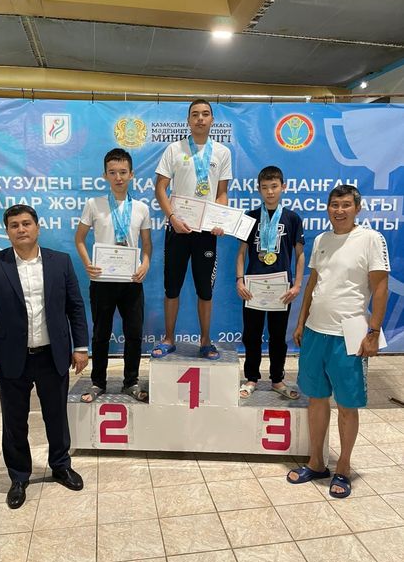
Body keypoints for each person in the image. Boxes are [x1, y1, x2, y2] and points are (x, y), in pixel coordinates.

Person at [0, 204, 89, 510]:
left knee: (56, 416)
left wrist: (80, 346)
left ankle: (61, 466)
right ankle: (19, 477)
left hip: (53, 355)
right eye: (14, 225)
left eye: (26, 223)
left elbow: (75, 306)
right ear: (7, 231)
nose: (21, 229)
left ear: (38, 227)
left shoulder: (60, 262)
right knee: (14, 422)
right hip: (11, 358)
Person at [287, 184, 389, 498]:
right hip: (315, 331)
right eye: (334, 205)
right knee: (316, 400)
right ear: (328, 208)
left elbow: (380, 286)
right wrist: (301, 321)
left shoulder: (371, 239)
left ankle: (343, 468)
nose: (339, 210)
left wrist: (373, 332)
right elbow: (313, 284)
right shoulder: (321, 240)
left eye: (346, 205)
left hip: (350, 335)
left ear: (357, 208)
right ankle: (317, 462)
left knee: (347, 405)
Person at [152, 98, 232, 360]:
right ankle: (168, 339)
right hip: (177, 228)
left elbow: (222, 193)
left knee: (205, 290)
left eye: (205, 114)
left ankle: (206, 341)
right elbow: (160, 188)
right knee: (171, 287)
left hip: (206, 232)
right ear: (188, 120)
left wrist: (219, 219)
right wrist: (172, 217)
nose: (200, 118)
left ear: (212, 120)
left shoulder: (222, 152)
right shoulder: (174, 149)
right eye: (195, 114)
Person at [75, 148, 152, 402]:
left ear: (131, 174)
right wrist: (88, 264)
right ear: (105, 175)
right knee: (101, 333)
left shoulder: (141, 208)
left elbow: (147, 244)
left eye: (123, 172)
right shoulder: (94, 205)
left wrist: (145, 264)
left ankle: (131, 382)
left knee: (134, 333)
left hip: (131, 280)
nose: (118, 177)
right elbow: (79, 239)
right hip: (102, 280)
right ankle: (98, 382)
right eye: (112, 172)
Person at [236, 166, 304, 399]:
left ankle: (277, 379)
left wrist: (297, 285)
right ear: (259, 189)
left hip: (281, 289)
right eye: (265, 187)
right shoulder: (250, 217)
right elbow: (241, 252)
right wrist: (239, 280)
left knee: (277, 337)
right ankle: (251, 378)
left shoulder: (292, 218)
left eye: (274, 186)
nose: (270, 192)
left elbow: (300, 254)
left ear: (283, 187)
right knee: (251, 335)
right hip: (253, 288)